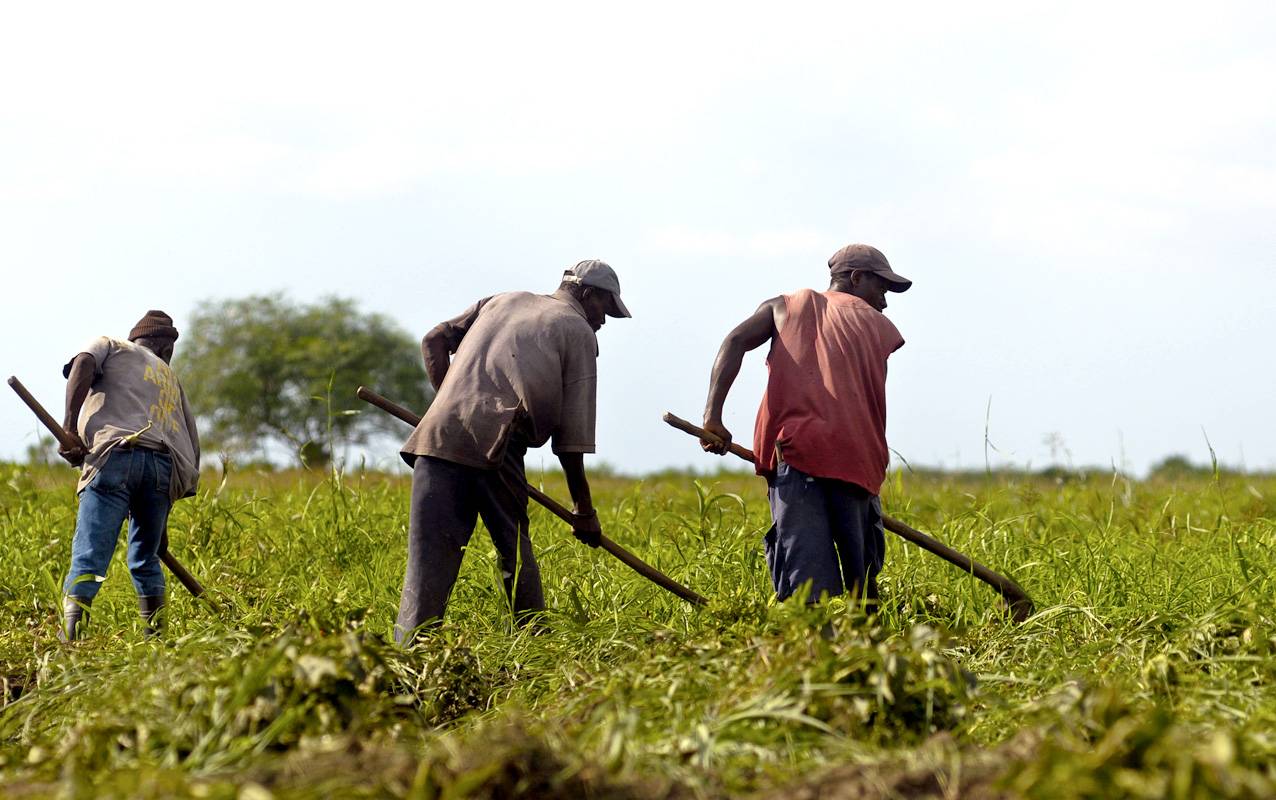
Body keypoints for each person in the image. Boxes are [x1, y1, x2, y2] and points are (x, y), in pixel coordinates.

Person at [395, 260, 631, 643]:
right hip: (497, 445)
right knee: (515, 556)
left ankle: (406, 659)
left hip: (436, 439)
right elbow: (572, 439)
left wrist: (452, 405)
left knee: (426, 567)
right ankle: (535, 655)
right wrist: (583, 511)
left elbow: (433, 340)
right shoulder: (577, 331)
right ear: (588, 294)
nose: (603, 321)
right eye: (605, 309)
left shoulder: (502, 301)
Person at [699, 244, 910, 606]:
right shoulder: (880, 326)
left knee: (805, 588)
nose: (884, 302)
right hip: (858, 461)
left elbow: (734, 341)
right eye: (881, 289)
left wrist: (713, 416)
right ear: (857, 278)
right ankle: (871, 650)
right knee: (863, 587)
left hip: (798, 458)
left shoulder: (783, 306)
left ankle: (812, 651)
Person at [57, 310, 201, 641]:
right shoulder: (171, 379)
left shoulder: (111, 345)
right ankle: (156, 645)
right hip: (163, 471)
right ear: (166, 348)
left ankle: (71, 644)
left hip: (115, 457)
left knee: (91, 554)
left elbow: (82, 363)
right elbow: (189, 448)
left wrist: (69, 427)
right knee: (146, 559)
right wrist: (162, 515)